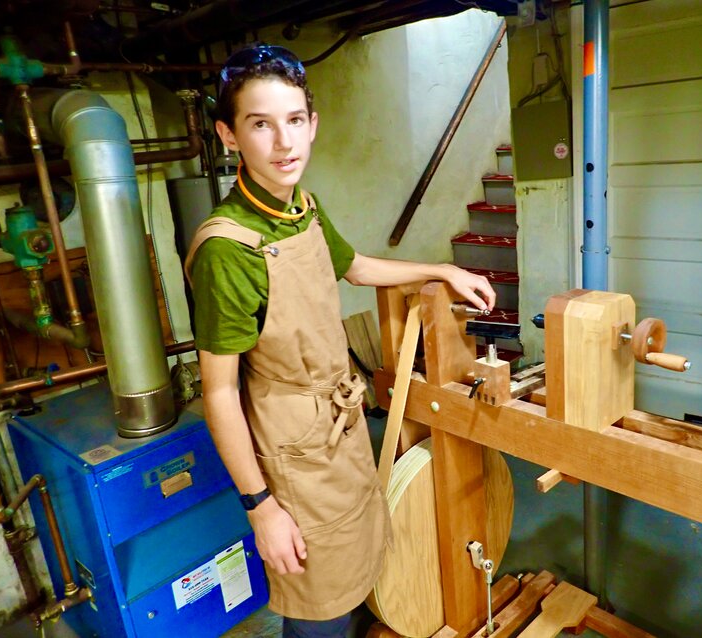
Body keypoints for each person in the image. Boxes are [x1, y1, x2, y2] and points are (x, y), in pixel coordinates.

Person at [185, 44, 495, 637]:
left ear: (312, 122)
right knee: (317, 606)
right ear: (229, 135)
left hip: (342, 427)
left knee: (357, 572)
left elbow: (354, 267)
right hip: (292, 453)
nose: (284, 143)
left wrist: (441, 270)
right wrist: (262, 509)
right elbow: (220, 395)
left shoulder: (301, 207)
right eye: (260, 124)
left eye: (295, 120)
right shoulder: (228, 248)